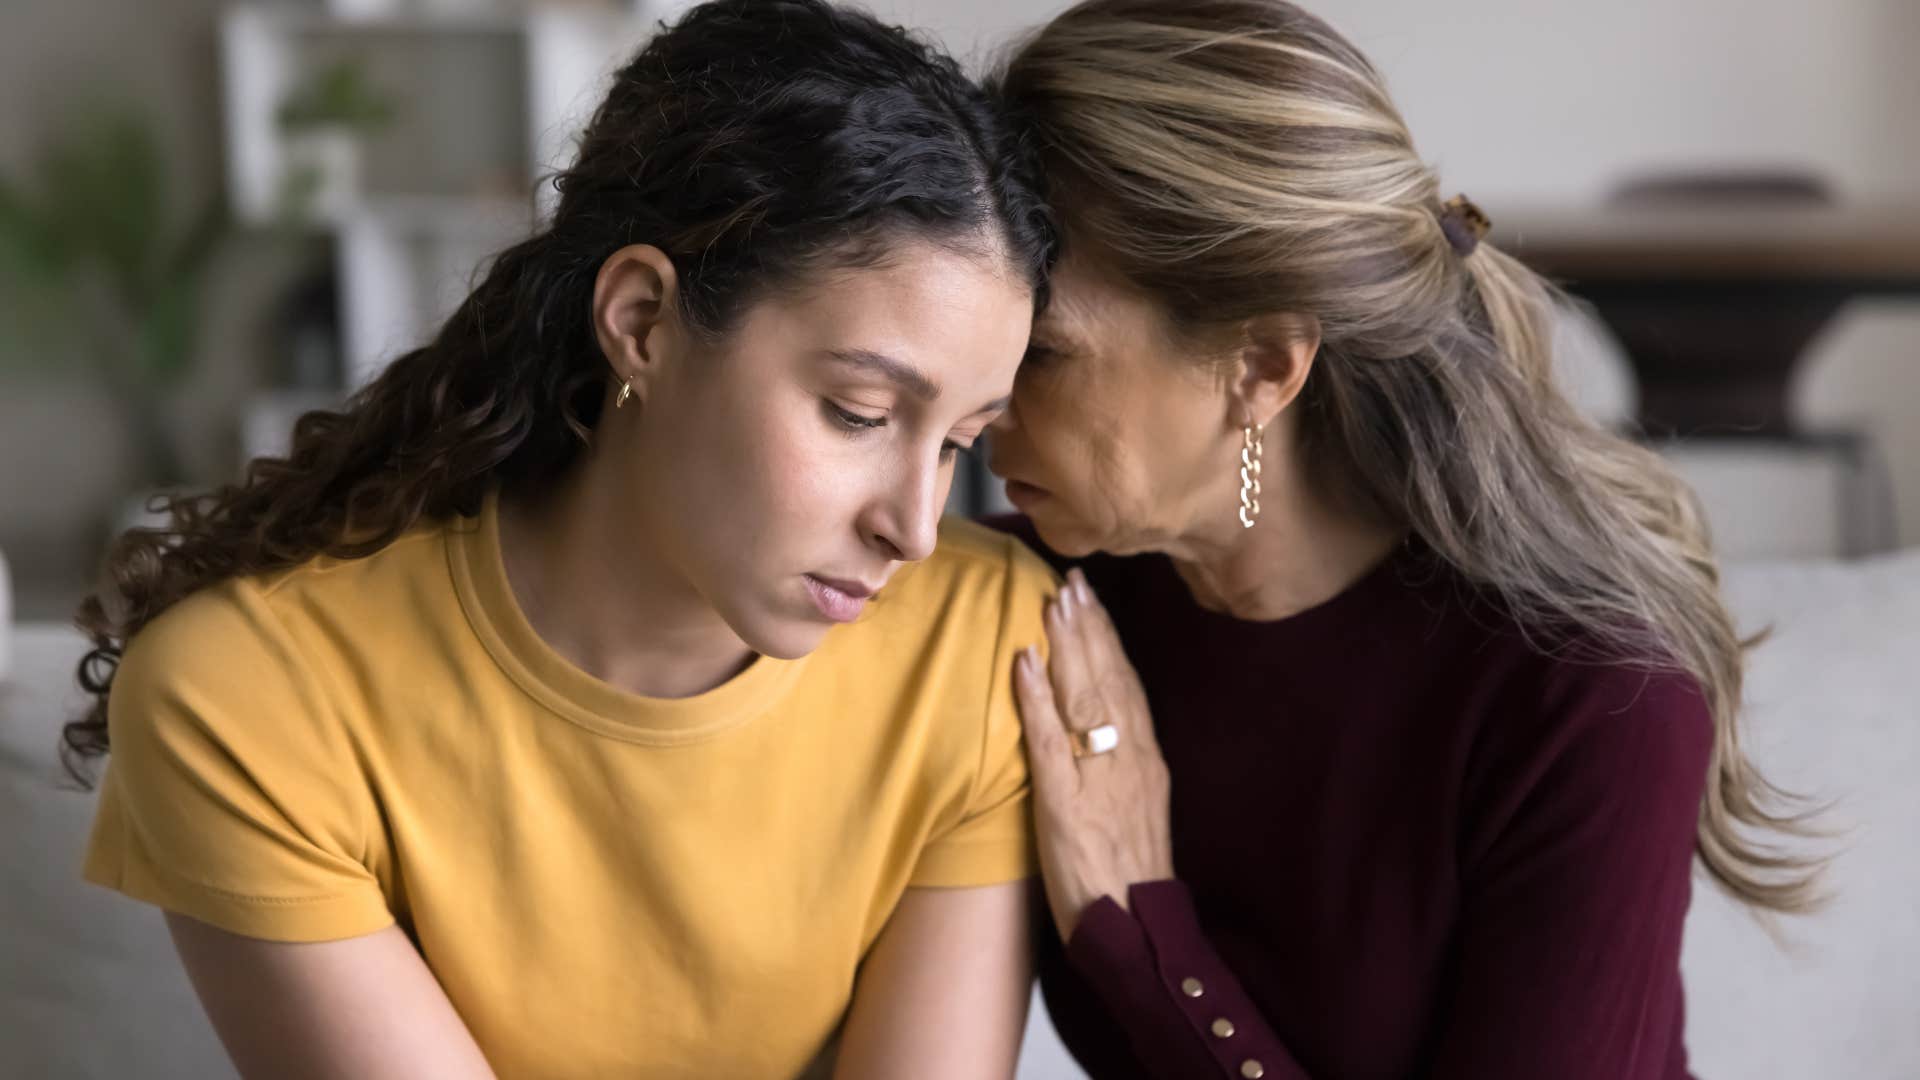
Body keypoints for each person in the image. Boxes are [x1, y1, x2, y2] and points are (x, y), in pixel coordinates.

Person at [66, 2, 1057, 1076]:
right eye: (861, 413)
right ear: (642, 321)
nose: (912, 528)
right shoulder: (252, 698)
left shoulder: (978, 641)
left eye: (961, 441)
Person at [985, 2, 1825, 1076]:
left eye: (1040, 352)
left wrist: (1142, 930)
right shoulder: (1037, 606)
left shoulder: (1585, 698)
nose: (979, 403)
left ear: (1261, 368)